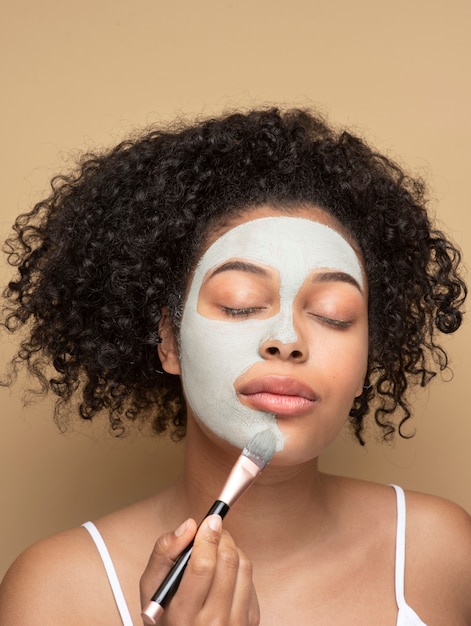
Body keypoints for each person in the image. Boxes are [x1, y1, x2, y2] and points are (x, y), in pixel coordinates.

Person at [0, 107, 470, 625]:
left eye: (335, 315)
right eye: (241, 304)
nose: (287, 342)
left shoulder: (442, 552)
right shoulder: (57, 591)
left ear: (367, 360)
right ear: (169, 343)